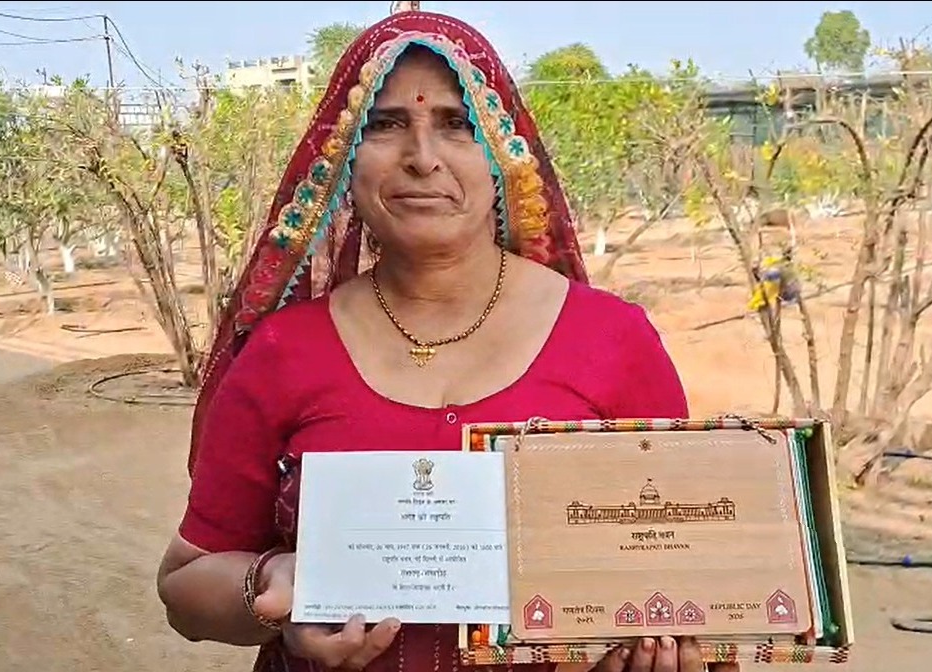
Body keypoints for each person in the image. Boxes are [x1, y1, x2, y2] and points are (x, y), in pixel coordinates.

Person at [156, 8, 738, 672]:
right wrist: (269, 589)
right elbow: (183, 585)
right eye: (386, 124)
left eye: (456, 125)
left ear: (503, 157)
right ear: (345, 156)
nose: (422, 158)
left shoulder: (612, 340)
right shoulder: (284, 351)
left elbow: (694, 570)